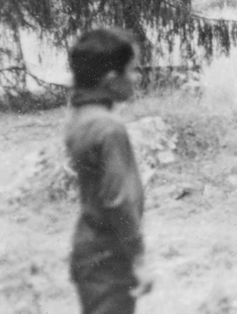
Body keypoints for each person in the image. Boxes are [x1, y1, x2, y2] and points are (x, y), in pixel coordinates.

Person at [65, 28, 153, 314]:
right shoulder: (108, 128)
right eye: (132, 69)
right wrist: (139, 259)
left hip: (89, 251)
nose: (137, 77)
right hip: (110, 255)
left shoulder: (80, 117)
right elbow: (119, 199)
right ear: (111, 79)